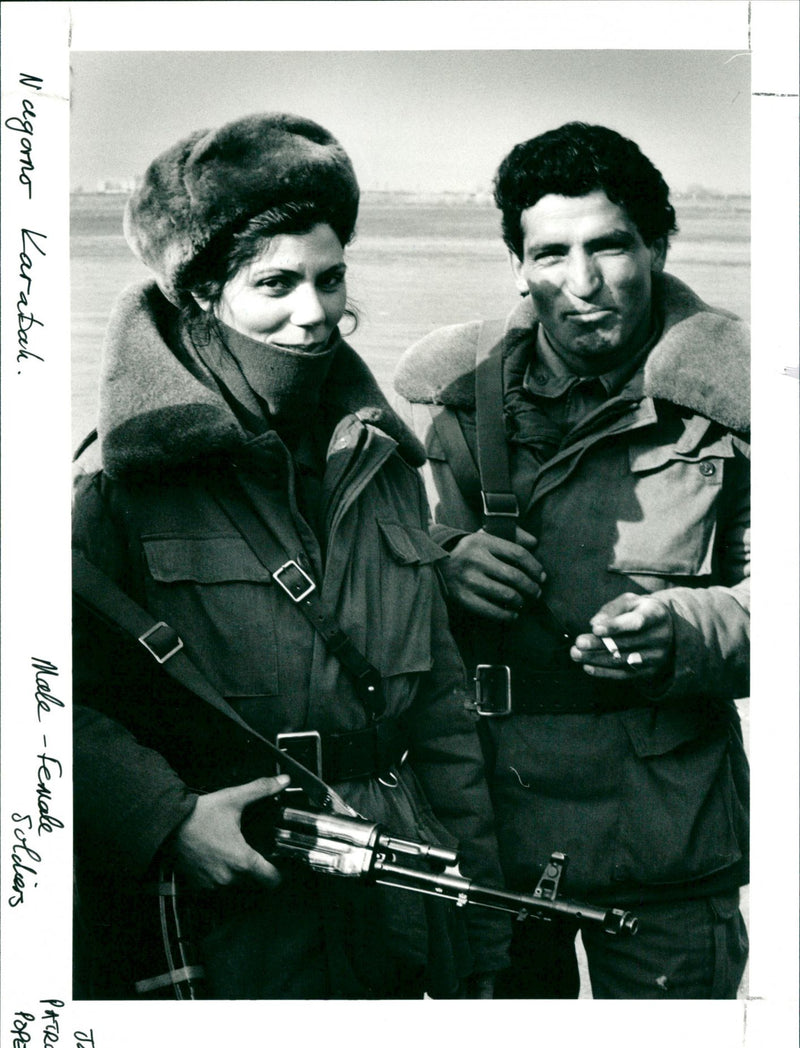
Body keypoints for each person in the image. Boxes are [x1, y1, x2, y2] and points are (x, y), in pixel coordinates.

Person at [72, 112, 510, 1000]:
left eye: (329, 278)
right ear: (203, 292)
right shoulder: (119, 484)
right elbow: (39, 697)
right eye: (274, 283)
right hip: (224, 915)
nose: (314, 315)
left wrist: (481, 922)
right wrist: (164, 820)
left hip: (387, 898)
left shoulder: (379, 460)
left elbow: (433, 707)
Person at [393, 122, 750, 999]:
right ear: (517, 263)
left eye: (611, 247)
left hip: (668, 835)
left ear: (659, 246)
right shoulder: (460, 398)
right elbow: (378, 558)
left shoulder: (740, 406)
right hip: (491, 832)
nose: (582, 284)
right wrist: (446, 562)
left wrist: (686, 628)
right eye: (550, 252)